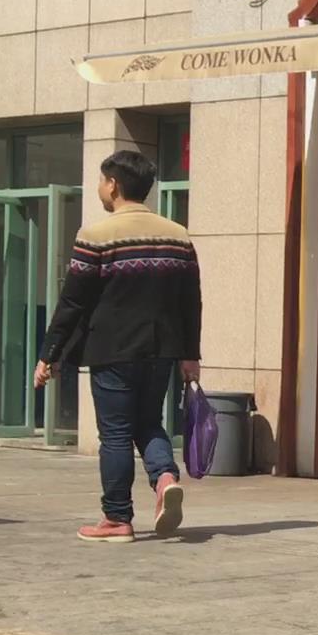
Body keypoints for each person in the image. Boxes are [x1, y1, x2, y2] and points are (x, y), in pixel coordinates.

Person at [32, 151, 201, 544]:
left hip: (112, 350)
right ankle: (165, 478)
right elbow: (191, 302)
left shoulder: (96, 236)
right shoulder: (178, 235)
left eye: (101, 180)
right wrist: (190, 354)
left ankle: (116, 518)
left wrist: (49, 354)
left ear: (114, 185)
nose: (99, 187)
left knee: (116, 433)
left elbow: (73, 303)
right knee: (148, 422)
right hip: (162, 350)